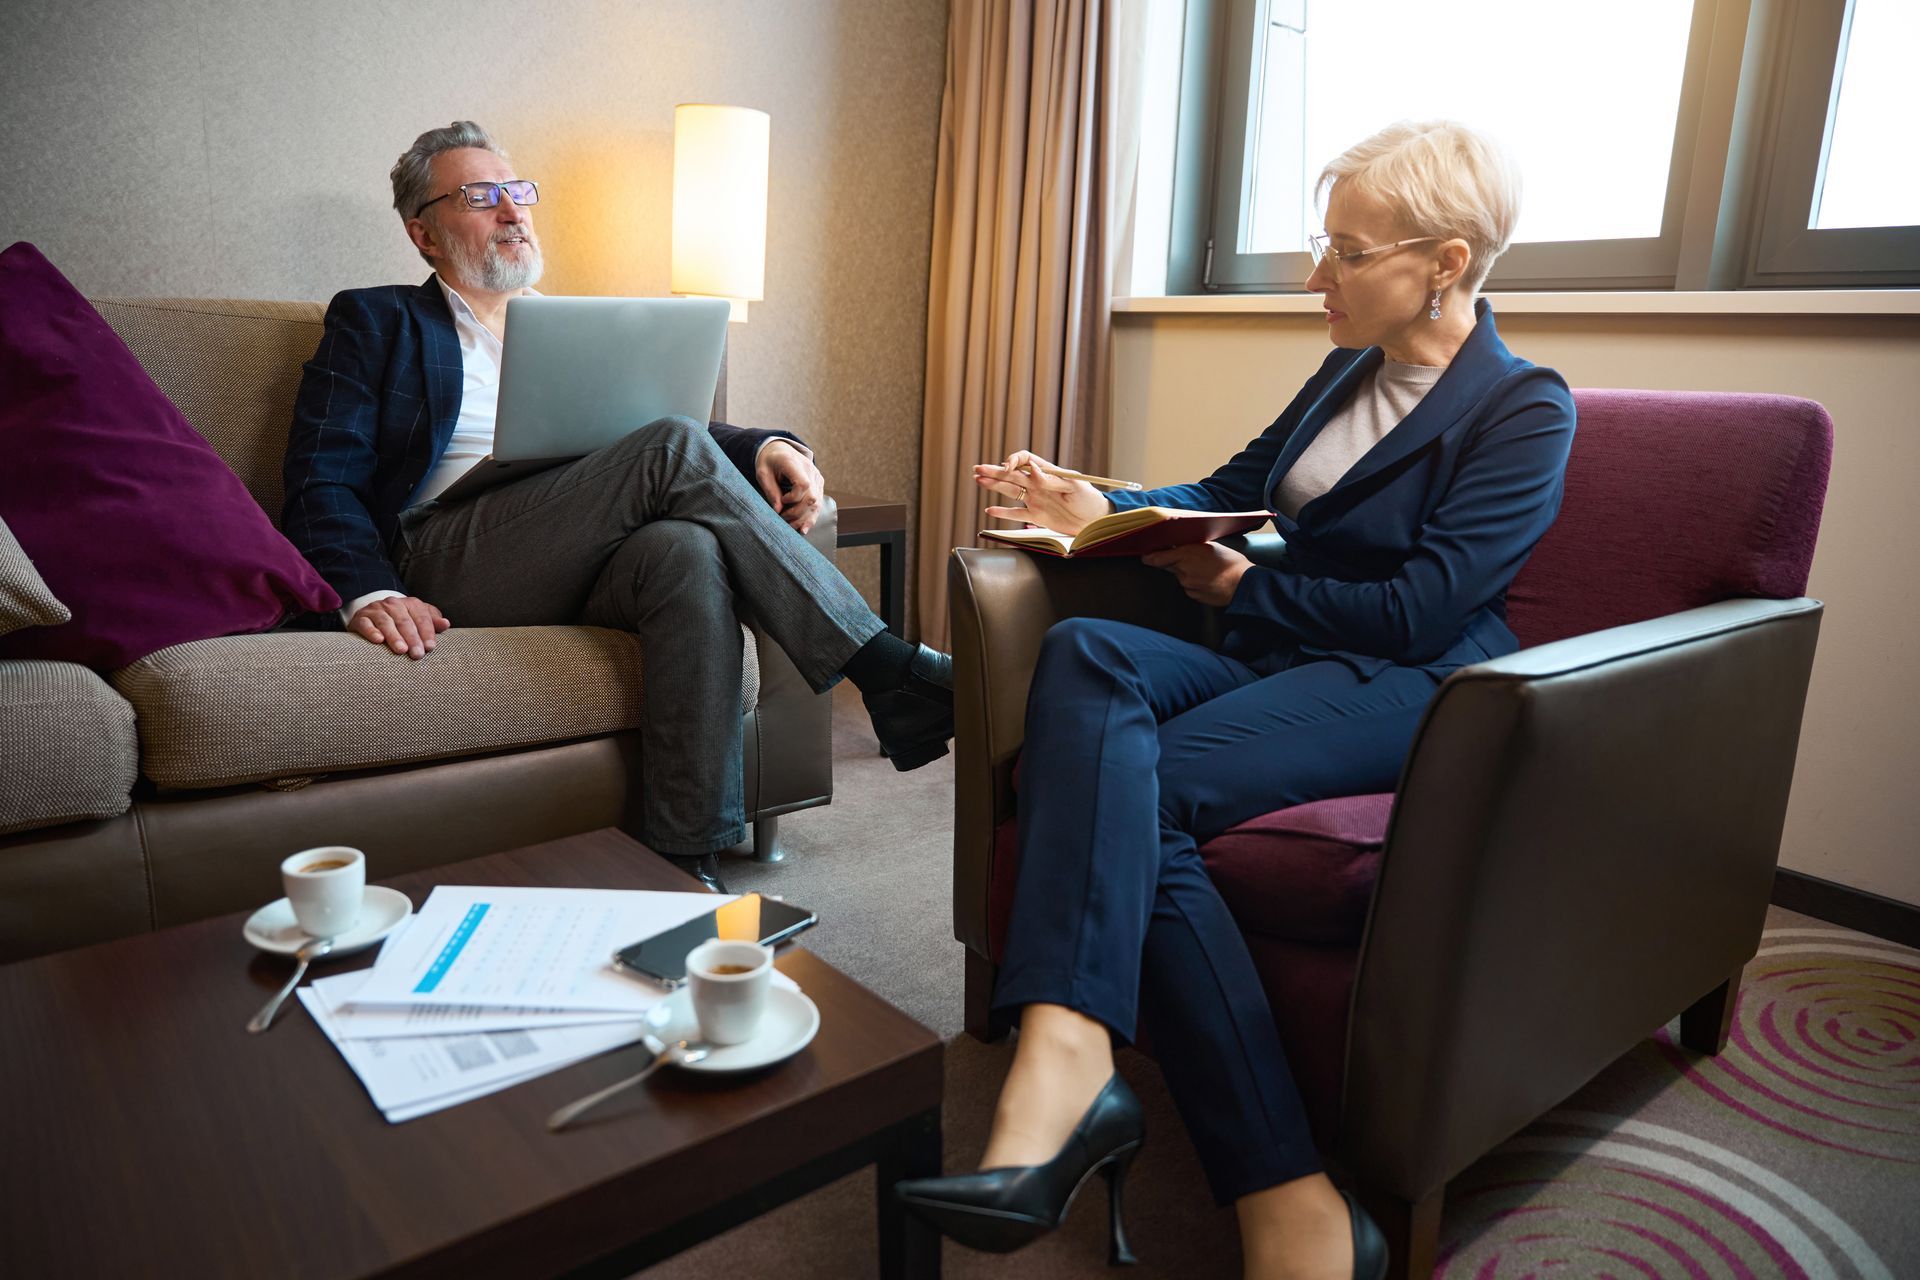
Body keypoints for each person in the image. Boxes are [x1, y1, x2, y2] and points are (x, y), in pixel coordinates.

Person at [895, 121, 1576, 1280]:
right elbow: (1228, 490)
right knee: (1089, 659)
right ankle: (1109, 1079)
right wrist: (1094, 497)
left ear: (1446, 262)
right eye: (1324, 244)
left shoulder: (1524, 408)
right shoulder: (1351, 366)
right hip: (1276, 653)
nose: (1317, 275)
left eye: (1348, 253)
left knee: (1129, 784)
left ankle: (1240, 1168)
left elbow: (1420, 610)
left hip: (1410, 684)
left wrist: (1248, 581)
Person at [281, 121, 952, 891]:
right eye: (480, 196)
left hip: (577, 549)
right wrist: (371, 589)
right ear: (423, 233)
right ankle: (885, 670)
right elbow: (320, 475)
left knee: (686, 553)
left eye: (518, 191)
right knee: (668, 448)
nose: (512, 210)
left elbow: (674, 427)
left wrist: (767, 444)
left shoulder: (570, 326)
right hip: (450, 552)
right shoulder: (377, 320)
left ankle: (683, 859)